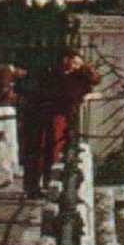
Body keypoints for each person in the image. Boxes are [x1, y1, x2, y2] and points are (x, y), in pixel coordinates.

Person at [21, 49, 101, 195]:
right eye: (73, 62)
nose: (75, 66)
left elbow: (93, 81)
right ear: (66, 60)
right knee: (40, 151)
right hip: (44, 115)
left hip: (59, 116)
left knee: (54, 150)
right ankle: (35, 187)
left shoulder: (77, 77)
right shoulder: (54, 75)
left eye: (78, 63)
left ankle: (48, 184)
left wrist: (88, 93)